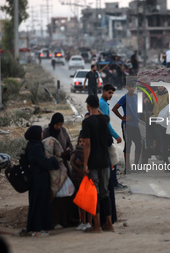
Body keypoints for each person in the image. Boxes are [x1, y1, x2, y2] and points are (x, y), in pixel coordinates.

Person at [81, 95, 114, 233]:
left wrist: (85, 164)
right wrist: (98, 112)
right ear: (98, 106)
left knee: (95, 193)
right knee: (105, 193)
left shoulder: (87, 122)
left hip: (94, 161)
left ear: (88, 105)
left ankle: (97, 226)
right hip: (105, 161)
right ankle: (109, 224)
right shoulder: (105, 119)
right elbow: (101, 116)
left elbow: (87, 144)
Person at [43, 113, 79, 228]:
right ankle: (54, 221)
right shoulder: (46, 133)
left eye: (61, 124)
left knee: (67, 195)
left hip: (64, 167)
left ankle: (67, 220)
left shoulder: (63, 131)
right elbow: (45, 150)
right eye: (57, 125)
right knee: (54, 196)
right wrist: (58, 154)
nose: (59, 127)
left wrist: (68, 152)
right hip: (53, 170)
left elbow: (69, 145)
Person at [24, 125, 59, 234]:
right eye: (40, 132)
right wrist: (54, 160)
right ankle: (38, 228)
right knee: (40, 202)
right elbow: (43, 162)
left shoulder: (31, 145)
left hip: (35, 177)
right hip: (39, 178)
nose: (42, 134)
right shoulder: (36, 147)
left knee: (36, 202)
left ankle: (36, 227)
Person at [99, 84, 127, 191]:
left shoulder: (102, 103)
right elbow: (107, 123)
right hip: (105, 135)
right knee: (114, 158)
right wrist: (116, 136)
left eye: (112, 93)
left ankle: (111, 182)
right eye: (109, 92)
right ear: (104, 92)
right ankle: (113, 183)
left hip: (103, 135)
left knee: (110, 160)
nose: (111, 95)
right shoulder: (104, 105)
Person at [112, 81, 142, 172]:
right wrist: (123, 118)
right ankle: (127, 167)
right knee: (128, 145)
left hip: (135, 125)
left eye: (133, 87)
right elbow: (114, 108)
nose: (132, 88)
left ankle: (136, 166)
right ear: (127, 88)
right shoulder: (125, 98)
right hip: (127, 125)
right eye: (130, 87)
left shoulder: (137, 97)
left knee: (139, 144)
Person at [70, 134, 92, 231]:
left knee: (88, 202)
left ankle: (89, 222)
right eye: (80, 141)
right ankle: (83, 221)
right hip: (78, 179)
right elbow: (72, 161)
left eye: (83, 141)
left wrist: (83, 165)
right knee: (81, 202)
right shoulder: (77, 151)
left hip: (86, 179)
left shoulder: (89, 151)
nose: (81, 143)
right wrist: (79, 170)